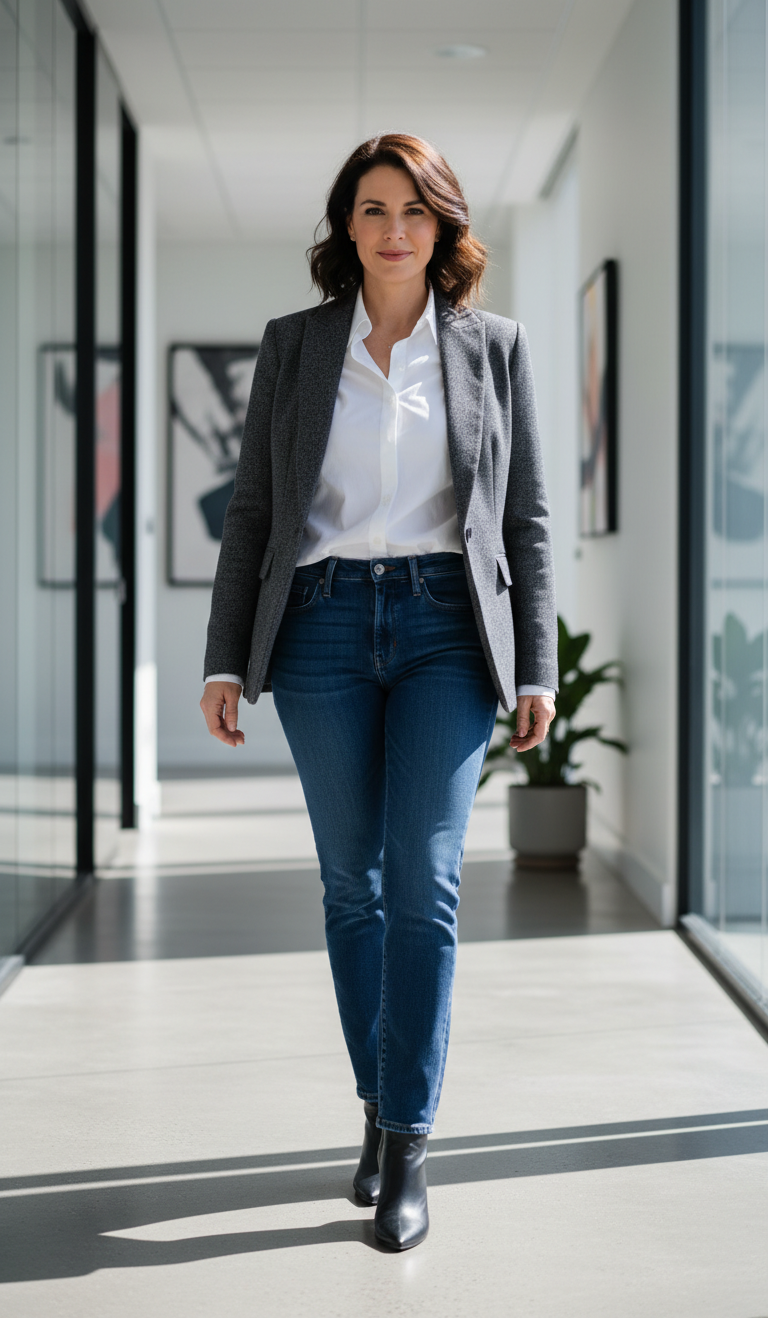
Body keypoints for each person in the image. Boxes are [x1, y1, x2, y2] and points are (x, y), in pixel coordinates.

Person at [200, 133, 557, 1251]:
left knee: (427, 884)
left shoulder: (493, 348)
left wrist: (537, 661)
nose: (394, 227)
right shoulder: (296, 348)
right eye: (372, 208)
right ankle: (376, 1099)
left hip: (449, 625)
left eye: (414, 208)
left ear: (443, 226)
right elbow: (253, 511)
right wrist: (224, 658)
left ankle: (408, 1139)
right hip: (320, 627)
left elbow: (526, 519)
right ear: (344, 226)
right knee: (351, 886)